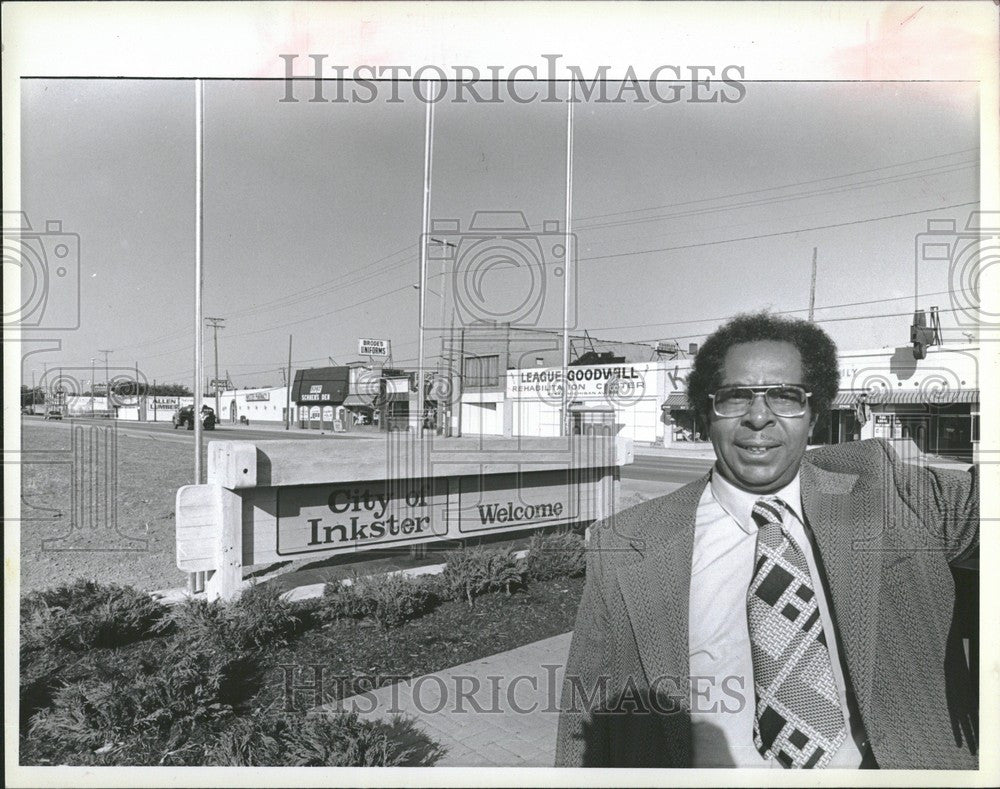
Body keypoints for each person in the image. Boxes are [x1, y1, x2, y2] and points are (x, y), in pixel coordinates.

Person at [555, 311, 978, 769]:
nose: (759, 417)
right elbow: (587, 727)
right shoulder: (627, 542)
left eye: (785, 396)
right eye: (736, 397)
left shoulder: (887, 490)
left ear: (814, 415)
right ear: (706, 412)